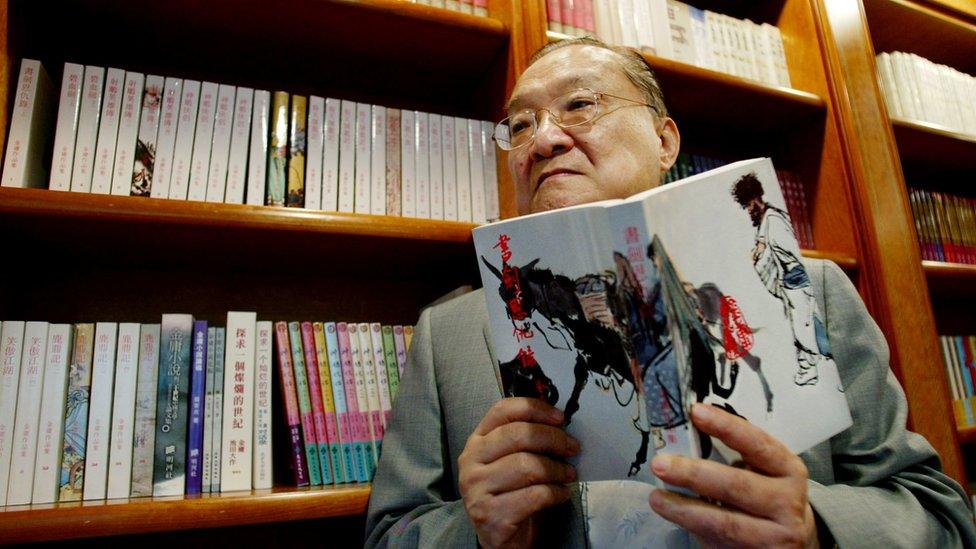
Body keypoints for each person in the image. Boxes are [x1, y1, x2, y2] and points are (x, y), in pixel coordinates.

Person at [365, 37, 976, 548]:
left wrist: (817, 528)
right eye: (520, 125)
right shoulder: (447, 334)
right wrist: (474, 532)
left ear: (665, 140)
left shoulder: (809, 290)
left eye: (580, 104)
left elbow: (940, 517)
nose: (543, 139)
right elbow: (391, 532)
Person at [732, 172, 830, 387]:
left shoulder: (774, 221)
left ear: (755, 200)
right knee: (803, 327)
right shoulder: (767, 219)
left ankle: (811, 369)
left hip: (796, 281)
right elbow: (762, 241)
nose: (748, 211)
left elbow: (790, 254)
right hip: (791, 283)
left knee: (804, 329)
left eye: (748, 206)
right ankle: (811, 367)